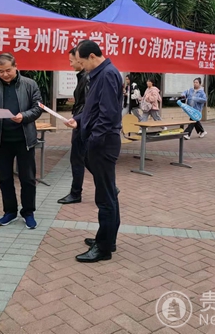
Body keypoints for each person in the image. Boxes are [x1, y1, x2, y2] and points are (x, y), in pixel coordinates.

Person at [65, 40, 122, 263]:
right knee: (108, 194)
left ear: (92, 57)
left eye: (81, 62)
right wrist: (78, 120)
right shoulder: (99, 74)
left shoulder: (107, 74)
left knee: (105, 198)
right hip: (100, 141)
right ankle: (107, 239)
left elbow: (108, 115)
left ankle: (103, 248)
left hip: (103, 144)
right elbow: (92, 108)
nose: (80, 66)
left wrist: (93, 141)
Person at [0, 53, 43, 229]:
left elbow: (38, 107)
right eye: (1, 71)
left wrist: (24, 116)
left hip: (24, 139)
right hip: (1, 140)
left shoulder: (29, 84)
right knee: (5, 178)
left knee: (27, 178)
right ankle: (9, 211)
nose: (5, 74)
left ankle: (28, 212)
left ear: (16, 67)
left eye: (8, 70)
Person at [57, 48, 88, 205]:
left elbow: (88, 105)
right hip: (82, 122)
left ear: (79, 59)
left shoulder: (87, 78)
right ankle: (109, 186)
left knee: (78, 159)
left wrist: (77, 119)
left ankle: (76, 193)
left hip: (82, 124)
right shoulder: (85, 76)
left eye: (71, 61)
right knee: (88, 158)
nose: (70, 64)